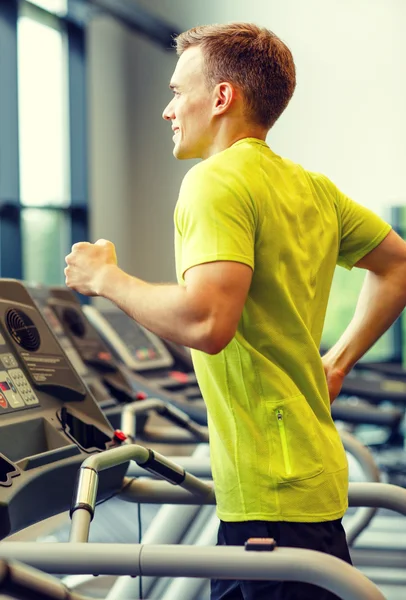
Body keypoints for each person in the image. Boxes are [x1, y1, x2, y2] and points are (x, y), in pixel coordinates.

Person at [64, 22, 406, 600]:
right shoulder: (310, 187)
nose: (168, 110)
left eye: (177, 91)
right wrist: (338, 362)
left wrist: (108, 279)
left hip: (272, 496)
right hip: (292, 482)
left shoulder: (214, 182)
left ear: (222, 97)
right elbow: (398, 263)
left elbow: (206, 322)